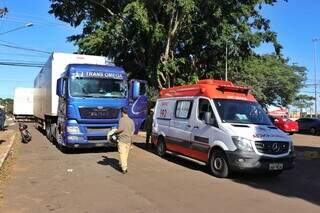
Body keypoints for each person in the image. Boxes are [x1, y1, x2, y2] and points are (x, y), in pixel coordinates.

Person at [115, 107, 135, 174]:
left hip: (122, 140)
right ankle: (124, 165)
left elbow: (121, 129)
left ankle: (124, 168)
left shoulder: (122, 120)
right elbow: (132, 132)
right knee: (126, 155)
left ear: (122, 112)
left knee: (122, 154)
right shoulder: (131, 121)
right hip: (129, 140)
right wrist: (132, 142)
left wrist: (115, 132)